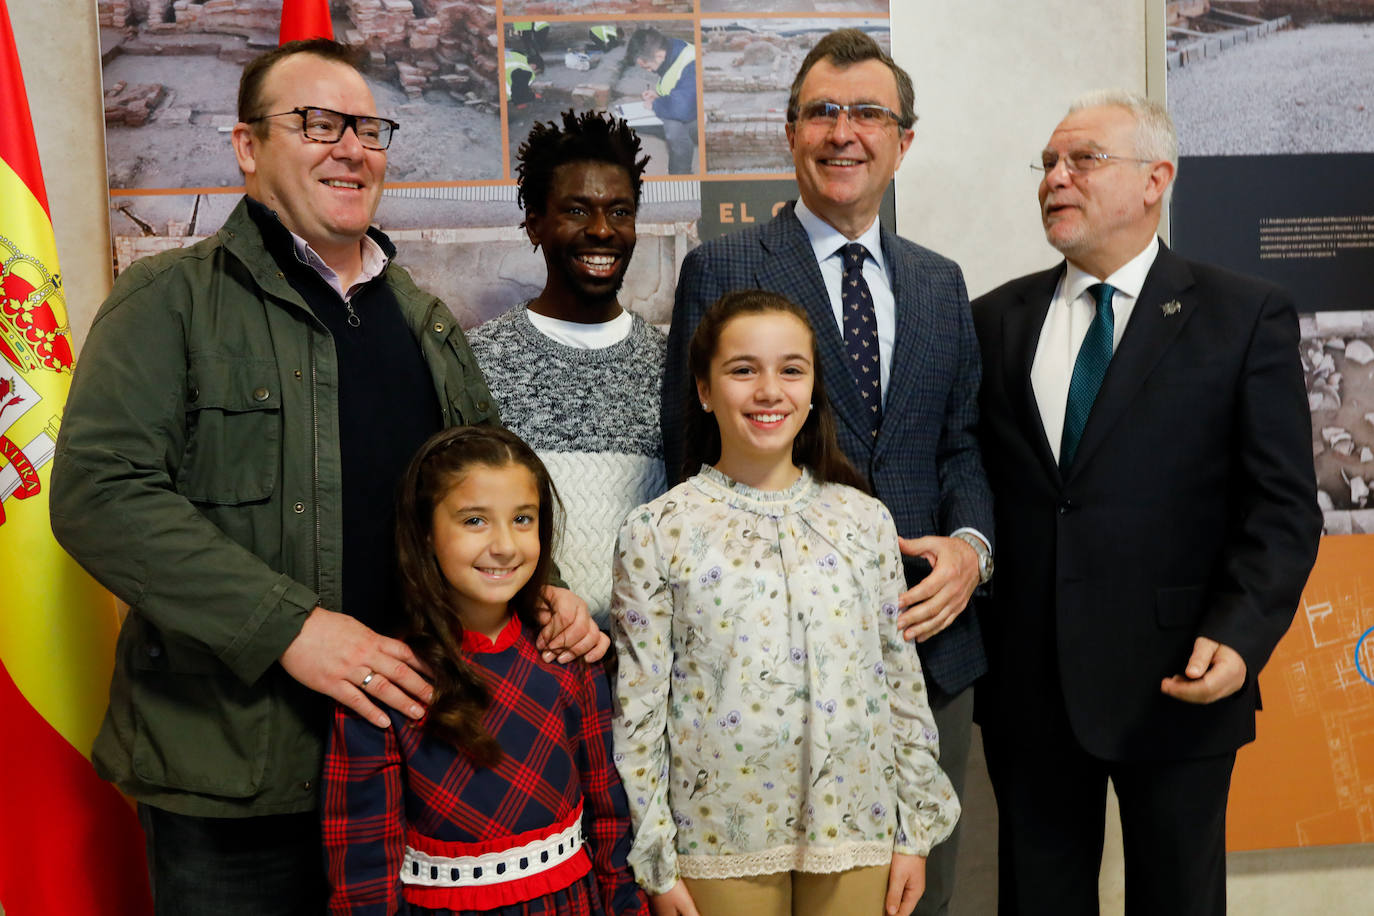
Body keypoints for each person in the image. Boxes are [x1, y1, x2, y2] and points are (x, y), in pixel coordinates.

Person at [49, 39, 604, 915]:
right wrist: (296, 629)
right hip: (238, 782)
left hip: (414, 769)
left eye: (368, 128)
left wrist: (548, 592)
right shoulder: (169, 301)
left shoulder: (425, 320)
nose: (350, 146)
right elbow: (100, 497)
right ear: (246, 146)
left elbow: (484, 495)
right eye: (315, 122)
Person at [661, 29, 992, 916]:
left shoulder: (939, 282)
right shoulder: (724, 267)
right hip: (758, 670)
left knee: (914, 894)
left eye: (869, 113)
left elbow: (960, 443)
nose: (845, 132)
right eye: (823, 113)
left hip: (926, 642)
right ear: (790, 132)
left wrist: (970, 548)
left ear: (904, 141)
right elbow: (685, 456)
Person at [971, 89, 1321, 916]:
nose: (1056, 177)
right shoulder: (993, 319)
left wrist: (1240, 639)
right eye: (1049, 163)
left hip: (1181, 678)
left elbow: (1281, 508)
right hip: (1029, 685)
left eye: (1082, 160)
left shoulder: (1242, 315)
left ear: (1155, 179)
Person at [613, 290, 959, 916]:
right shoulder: (657, 530)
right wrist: (656, 860)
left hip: (858, 826)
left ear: (812, 388)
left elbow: (901, 687)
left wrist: (915, 831)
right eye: (744, 369)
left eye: (790, 369)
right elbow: (639, 710)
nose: (769, 389)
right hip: (717, 835)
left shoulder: (865, 521)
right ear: (704, 389)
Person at [322, 425, 650, 915]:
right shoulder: (387, 680)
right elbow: (363, 871)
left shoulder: (568, 660)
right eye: (475, 521)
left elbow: (608, 818)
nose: (505, 545)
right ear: (426, 532)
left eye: (523, 519)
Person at [469, 110, 665, 628]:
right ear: (535, 223)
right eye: (578, 211)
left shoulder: (672, 365)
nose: (602, 230)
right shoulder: (477, 361)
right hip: (524, 670)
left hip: (650, 668)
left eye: (620, 212)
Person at [625, 27, 697, 174]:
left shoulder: (690, 63)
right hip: (691, 107)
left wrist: (655, 104)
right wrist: (658, 96)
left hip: (701, 117)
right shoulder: (671, 50)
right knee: (634, 123)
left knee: (673, 128)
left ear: (658, 56)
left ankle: (681, 175)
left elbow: (682, 109)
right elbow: (678, 88)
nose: (649, 71)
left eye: (648, 67)